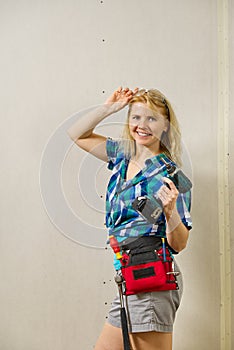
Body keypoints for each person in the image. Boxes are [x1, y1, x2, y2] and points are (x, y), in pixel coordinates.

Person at [67, 87, 192, 350]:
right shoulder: (122, 154)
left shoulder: (170, 175)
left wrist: (170, 214)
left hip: (152, 276)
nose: (142, 125)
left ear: (166, 125)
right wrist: (108, 108)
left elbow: (180, 244)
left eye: (151, 118)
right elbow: (76, 134)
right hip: (128, 275)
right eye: (136, 117)